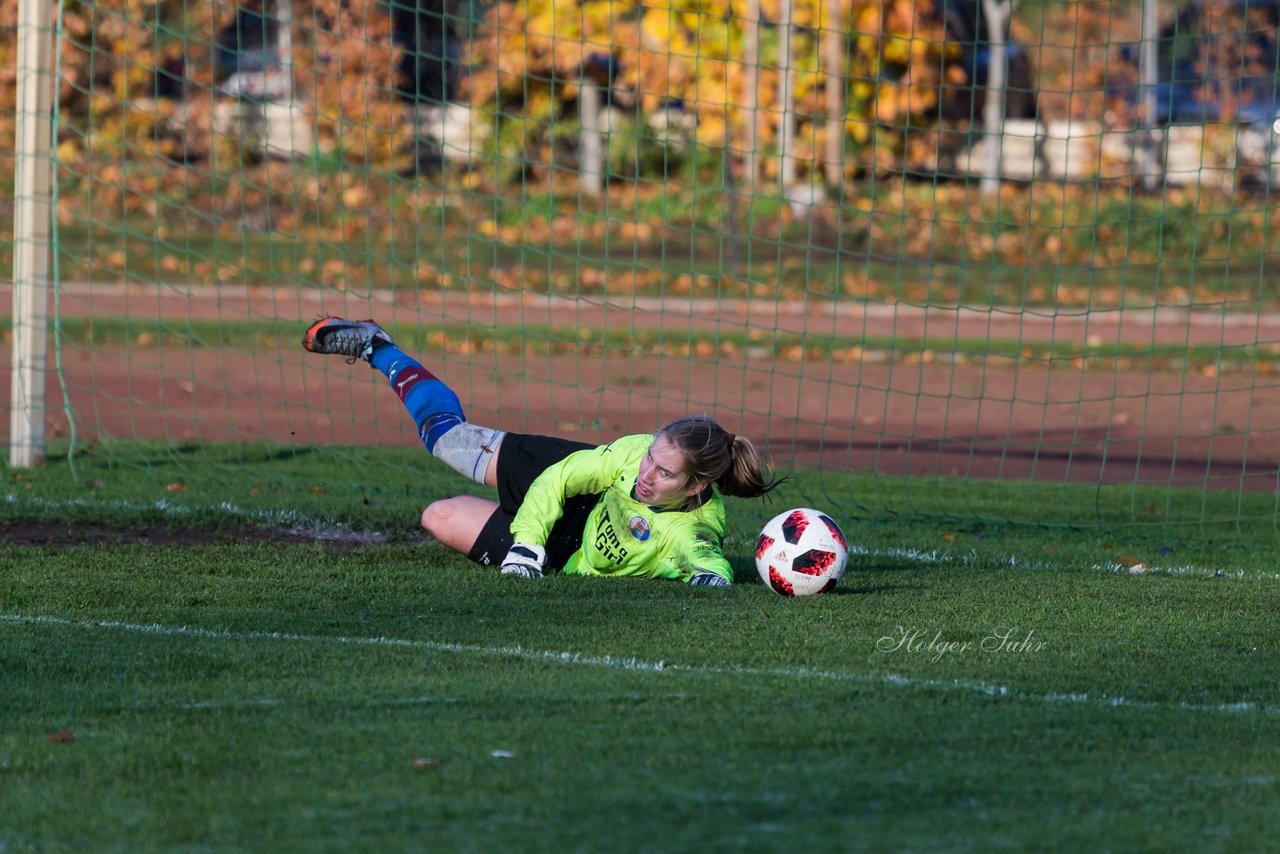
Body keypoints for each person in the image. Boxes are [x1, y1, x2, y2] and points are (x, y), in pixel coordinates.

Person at [302, 316, 783, 585]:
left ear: (696, 485)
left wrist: (712, 581)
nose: (646, 474)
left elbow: (708, 561)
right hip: (568, 483)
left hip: (566, 552)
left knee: (437, 518)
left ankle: (530, 537)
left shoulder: (693, 528)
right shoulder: (632, 454)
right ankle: (378, 347)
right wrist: (526, 542)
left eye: (664, 474)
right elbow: (562, 477)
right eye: (650, 458)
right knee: (447, 441)